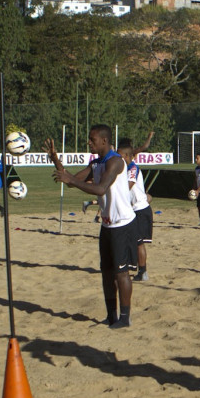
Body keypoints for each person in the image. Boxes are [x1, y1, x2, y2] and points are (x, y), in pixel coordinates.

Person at [50, 126, 138, 328]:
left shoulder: (115, 161)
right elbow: (72, 180)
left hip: (122, 224)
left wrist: (70, 179)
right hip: (107, 226)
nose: (89, 142)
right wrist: (55, 158)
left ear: (104, 141)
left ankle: (125, 318)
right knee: (106, 272)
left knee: (121, 273)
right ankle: (111, 315)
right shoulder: (96, 163)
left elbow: (100, 188)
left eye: (92, 139)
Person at [119, 132, 154, 282]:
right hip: (134, 210)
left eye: (120, 156)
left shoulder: (132, 168)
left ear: (127, 156)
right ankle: (134, 268)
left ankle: (143, 272)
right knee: (132, 241)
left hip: (140, 211)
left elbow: (127, 187)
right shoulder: (125, 169)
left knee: (139, 243)